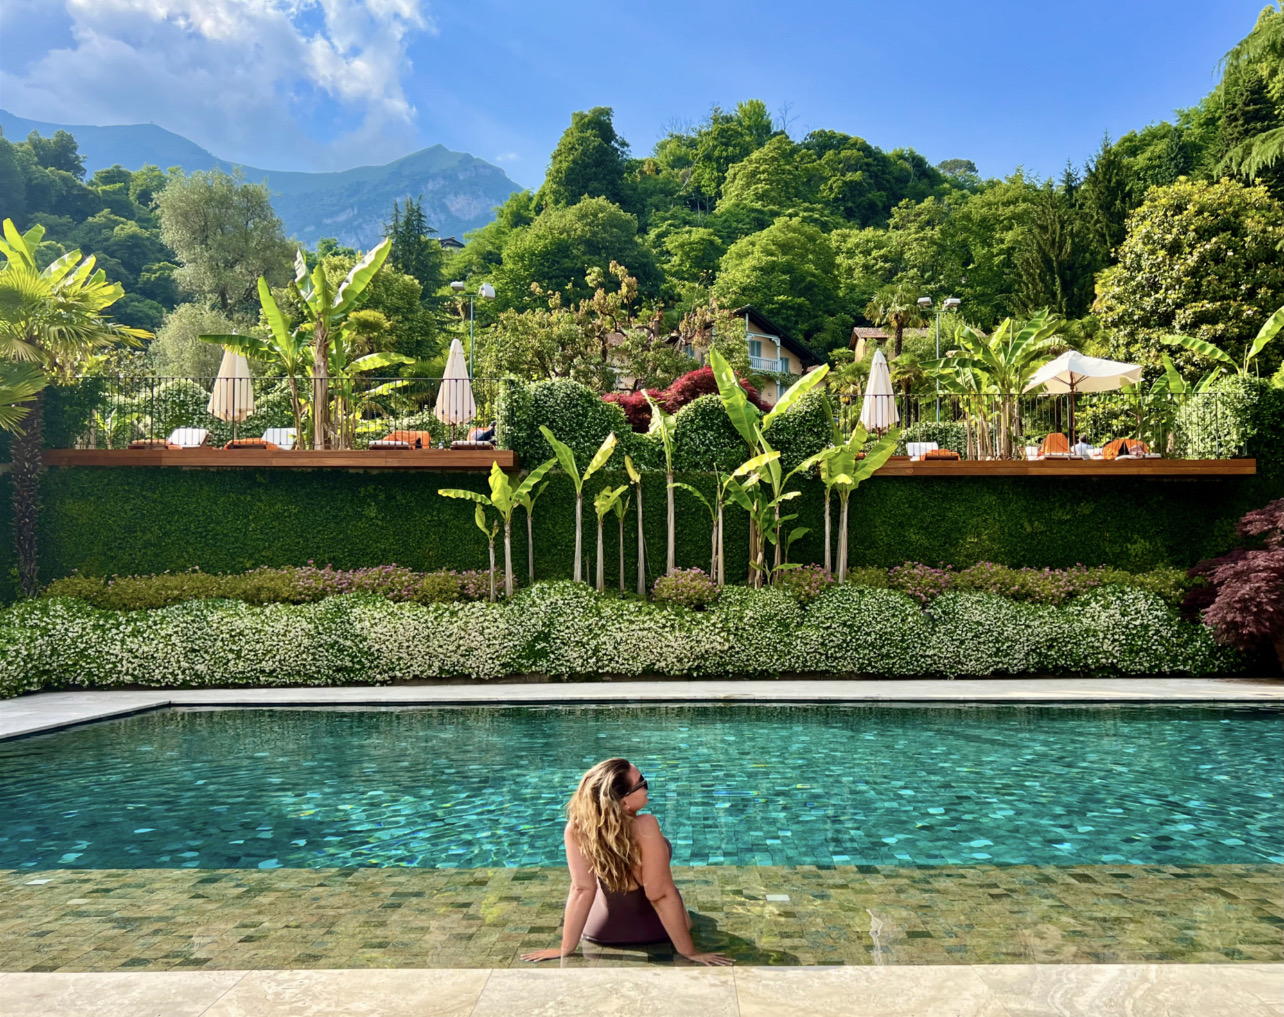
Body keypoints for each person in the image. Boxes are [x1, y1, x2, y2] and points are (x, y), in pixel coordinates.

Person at [520, 758, 731, 965]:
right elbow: (660, 894)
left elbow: (581, 890)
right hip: (654, 930)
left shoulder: (576, 829)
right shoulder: (646, 825)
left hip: (599, 931)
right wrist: (689, 951)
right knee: (683, 905)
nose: (647, 786)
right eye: (642, 783)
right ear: (624, 801)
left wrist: (566, 948)